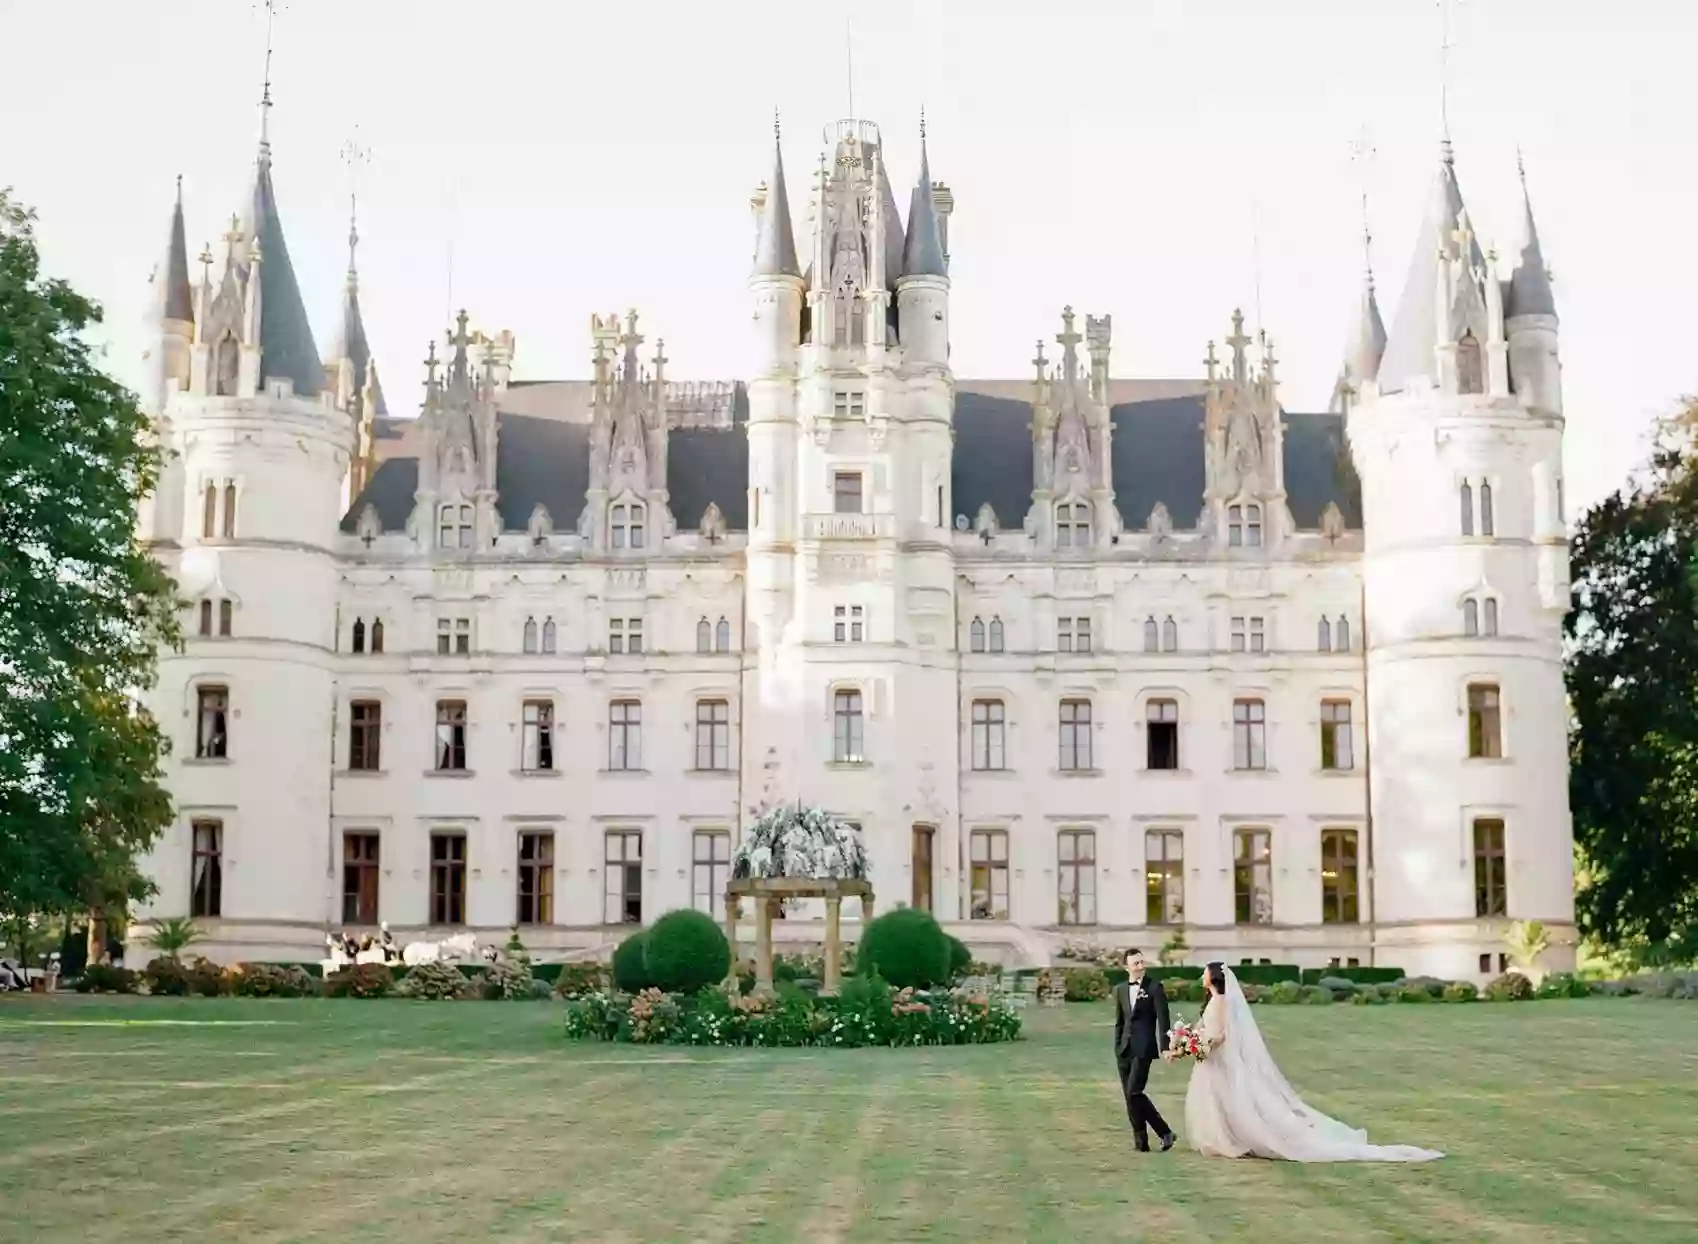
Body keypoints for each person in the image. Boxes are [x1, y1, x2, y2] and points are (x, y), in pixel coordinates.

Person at [1179, 962, 1443, 1162]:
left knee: (1233, 1099)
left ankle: (1240, 1140)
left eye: (1204, 972)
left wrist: (1205, 1044)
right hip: (1209, 1059)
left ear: (1213, 977)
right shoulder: (1211, 1001)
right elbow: (1201, 1026)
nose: (1201, 976)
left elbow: (1224, 1034)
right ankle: (1223, 1139)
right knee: (1216, 1100)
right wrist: (1186, 1041)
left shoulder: (1224, 1001)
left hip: (1220, 1058)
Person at [1111, 948, 1177, 1153]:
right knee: (1129, 1097)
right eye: (1135, 964)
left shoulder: (1155, 987)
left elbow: (1163, 1019)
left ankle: (1164, 1131)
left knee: (1134, 1092)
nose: (1140, 967)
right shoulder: (1120, 990)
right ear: (1126, 967)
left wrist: (1166, 1046)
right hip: (1124, 1049)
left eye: (1142, 962)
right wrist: (1117, 1046)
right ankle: (1141, 1143)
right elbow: (1120, 1022)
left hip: (1144, 1048)